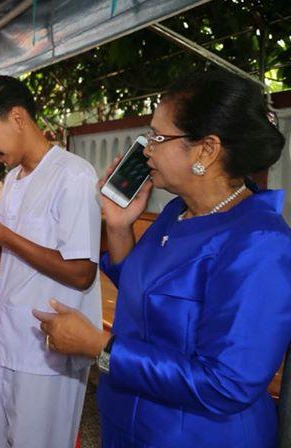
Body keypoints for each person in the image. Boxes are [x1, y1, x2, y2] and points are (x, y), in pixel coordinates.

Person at [34, 71, 291, 447]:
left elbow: (226, 383)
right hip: (131, 422)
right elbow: (149, 293)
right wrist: (119, 226)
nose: (146, 149)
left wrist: (98, 347)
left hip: (196, 436)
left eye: (157, 137)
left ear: (206, 150)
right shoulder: (177, 212)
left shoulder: (259, 242)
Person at [0, 76, 102, 448]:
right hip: (6, 338)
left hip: (47, 351)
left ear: (17, 118)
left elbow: (81, 272)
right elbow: (11, 254)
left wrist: (3, 234)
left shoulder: (73, 175)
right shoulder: (13, 179)